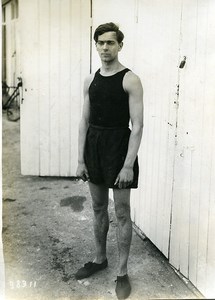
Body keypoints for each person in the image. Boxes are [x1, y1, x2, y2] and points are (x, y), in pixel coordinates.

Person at [75, 22, 143, 300]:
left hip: (118, 148)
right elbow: (84, 120)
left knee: (123, 212)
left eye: (110, 42)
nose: (105, 47)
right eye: (101, 42)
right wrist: (80, 159)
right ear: (96, 45)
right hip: (94, 147)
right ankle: (99, 258)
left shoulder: (130, 79)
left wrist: (128, 164)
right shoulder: (90, 80)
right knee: (98, 207)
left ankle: (122, 272)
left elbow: (137, 126)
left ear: (120, 45)